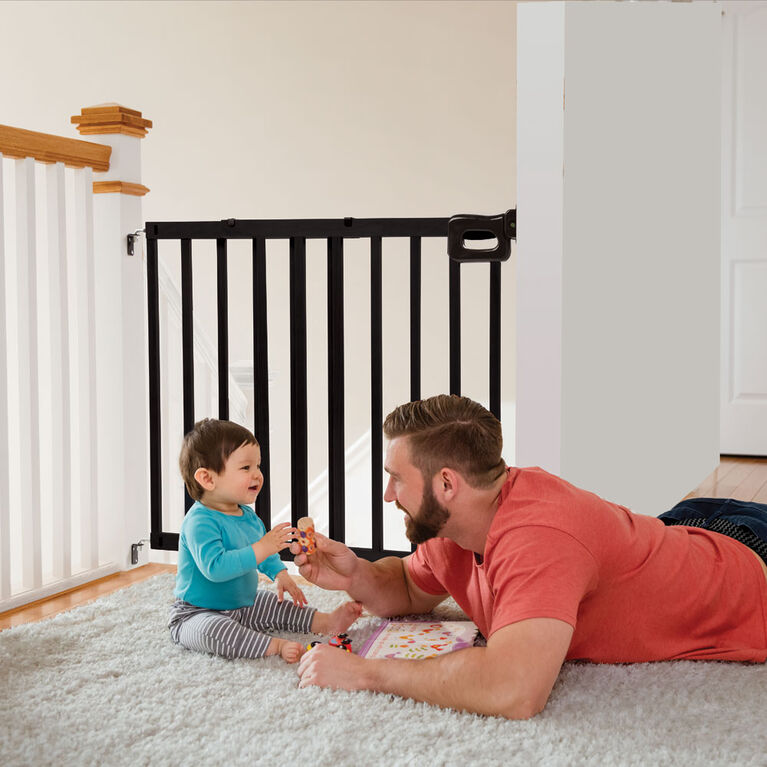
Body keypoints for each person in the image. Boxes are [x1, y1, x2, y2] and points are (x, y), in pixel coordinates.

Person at [293, 394, 767, 718]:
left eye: (396, 477)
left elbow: (514, 688)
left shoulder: (539, 537)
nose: (387, 494)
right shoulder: (452, 520)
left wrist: (367, 673)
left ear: (446, 484)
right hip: (683, 525)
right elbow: (411, 588)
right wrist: (356, 574)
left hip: (749, 558)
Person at [169, 418, 361, 663]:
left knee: (273, 602)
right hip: (197, 612)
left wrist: (279, 574)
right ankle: (271, 645)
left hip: (242, 604)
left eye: (258, 466)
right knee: (212, 631)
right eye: (245, 468)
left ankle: (325, 621)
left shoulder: (246, 516)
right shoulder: (199, 522)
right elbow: (215, 568)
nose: (257, 475)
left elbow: (266, 556)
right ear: (208, 479)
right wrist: (262, 547)